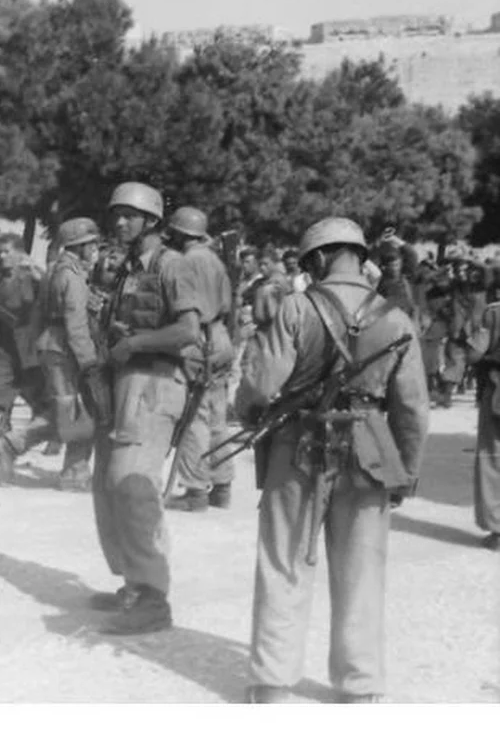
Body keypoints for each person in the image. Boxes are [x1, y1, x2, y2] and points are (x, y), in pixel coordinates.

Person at [237, 217, 429, 704]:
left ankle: (273, 682)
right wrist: (404, 471)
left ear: (319, 259)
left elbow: (260, 385)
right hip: (369, 450)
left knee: (283, 563)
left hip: (298, 444)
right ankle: (359, 686)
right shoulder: (395, 317)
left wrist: (247, 413)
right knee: (362, 570)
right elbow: (412, 409)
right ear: (358, 256)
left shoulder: (297, 308)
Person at [90, 182, 199, 635]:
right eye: (116, 214)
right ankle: (135, 584)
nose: (120, 222)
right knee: (110, 486)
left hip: (156, 381)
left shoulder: (172, 265)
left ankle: (153, 597)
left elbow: (188, 331)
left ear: (152, 220)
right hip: (129, 379)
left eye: (130, 215)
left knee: (132, 485)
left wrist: (134, 341)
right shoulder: (130, 268)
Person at [0, 217, 105, 491]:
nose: (95, 251)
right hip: (67, 350)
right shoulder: (72, 276)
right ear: (80, 247)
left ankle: (18, 446)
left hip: (52, 348)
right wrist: (89, 363)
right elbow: (75, 323)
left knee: (70, 410)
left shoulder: (56, 270)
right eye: (92, 245)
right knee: (80, 409)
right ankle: (70, 471)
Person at [163, 207, 236, 513]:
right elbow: (228, 302)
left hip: (199, 340)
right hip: (220, 337)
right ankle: (222, 485)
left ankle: (195, 491)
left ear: (181, 234)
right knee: (218, 416)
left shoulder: (184, 262)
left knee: (193, 418)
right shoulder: (215, 260)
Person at [0, 234, 45, 460]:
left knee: (44, 401)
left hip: (29, 350)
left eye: (7, 251)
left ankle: (42, 439)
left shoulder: (33, 276)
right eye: (0, 252)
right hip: (4, 348)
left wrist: (38, 272)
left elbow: (49, 295)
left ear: (20, 252)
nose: (2, 256)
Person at [467, 299, 500, 550]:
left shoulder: (494, 313)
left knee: (492, 458)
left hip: (497, 392)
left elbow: (474, 354)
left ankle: (498, 530)